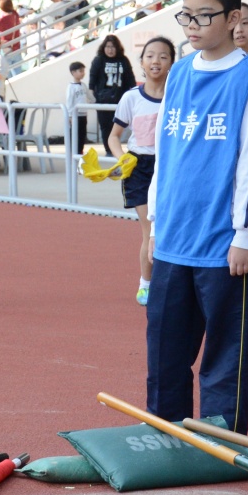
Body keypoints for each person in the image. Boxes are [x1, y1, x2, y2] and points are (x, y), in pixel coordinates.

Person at [146, 0, 248, 432]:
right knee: (165, 349)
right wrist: (155, 220)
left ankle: (222, 441)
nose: (193, 26)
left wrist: (246, 233)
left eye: (205, 16)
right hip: (173, 235)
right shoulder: (179, 74)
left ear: (233, 17)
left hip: (223, 243)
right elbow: (164, 152)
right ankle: (165, 434)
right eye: (186, 16)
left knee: (224, 353)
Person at [106, 35, 173, 304]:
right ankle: (146, 284)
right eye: (150, 56)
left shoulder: (178, 96)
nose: (156, 61)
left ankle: (169, 282)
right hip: (139, 168)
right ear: (142, 62)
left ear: (172, 63)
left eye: (163, 56)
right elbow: (114, 137)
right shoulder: (131, 97)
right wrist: (122, 158)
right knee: (150, 228)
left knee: (170, 229)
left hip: (170, 167)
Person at [88, 35, 135, 150]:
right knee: (105, 127)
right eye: (108, 47)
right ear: (103, 47)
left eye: (113, 47)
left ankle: (116, 149)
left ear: (118, 48)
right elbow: (92, 79)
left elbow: (130, 78)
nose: (110, 50)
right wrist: (92, 96)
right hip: (102, 100)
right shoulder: (99, 60)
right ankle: (108, 150)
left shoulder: (123, 60)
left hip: (120, 99)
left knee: (118, 126)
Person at [64, 61, 90, 154]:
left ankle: (80, 152)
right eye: (80, 71)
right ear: (73, 72)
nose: (83, 73)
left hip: (84, 114)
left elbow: (89, 96)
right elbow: (69, 102)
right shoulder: (71, 87)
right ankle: (73, 153)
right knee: (75, 135)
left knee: (82, 135)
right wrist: (70, 115)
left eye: (83, 71)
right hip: (75, 115)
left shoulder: (83, 85)